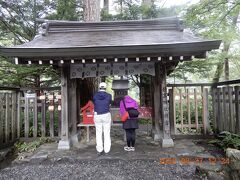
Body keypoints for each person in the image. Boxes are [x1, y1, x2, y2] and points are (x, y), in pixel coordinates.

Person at [93, 82, 112, 156]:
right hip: (106, 114)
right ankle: (107, 150)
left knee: (98, 133)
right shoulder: (109, 96)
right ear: (105, 88)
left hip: (97, 115)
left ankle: (99, 150)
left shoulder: (95, 95)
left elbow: (95, 103)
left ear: (99, 87)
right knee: (107, 132)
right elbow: (109, 104)